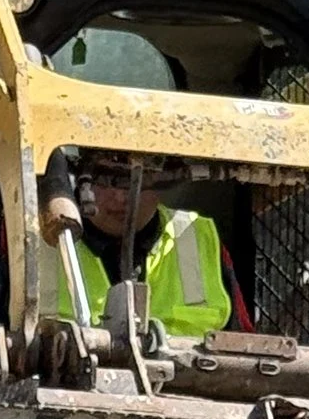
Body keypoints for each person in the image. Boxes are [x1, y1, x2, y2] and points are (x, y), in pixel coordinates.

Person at [42, 26, 244, 337]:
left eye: (138, 181)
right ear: (79, 175)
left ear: (163, 179)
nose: (122, 199)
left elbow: (244, 344)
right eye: (108, 179)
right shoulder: (38, 241)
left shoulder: (198, 239)